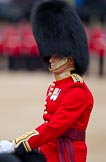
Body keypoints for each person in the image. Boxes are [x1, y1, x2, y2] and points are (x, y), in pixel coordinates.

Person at [0, 0, 94, 162]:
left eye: (56, 56)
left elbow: (54, 127)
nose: (51, 60)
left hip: (65, 154)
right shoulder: (56, 86)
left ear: (70, 59)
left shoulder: (77, 91)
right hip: (49, 147)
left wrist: (17, 144)